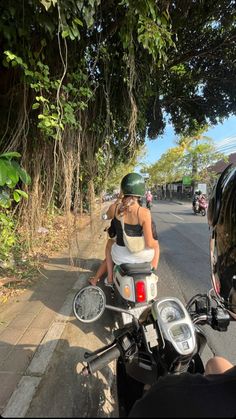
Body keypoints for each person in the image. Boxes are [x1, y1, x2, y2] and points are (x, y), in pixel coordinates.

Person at [129, 164, 236, 418]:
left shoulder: (168, 400)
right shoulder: (144, 210)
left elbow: (112, 239)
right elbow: (152, 242)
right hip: (142, 260)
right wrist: (154, 264)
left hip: (122, 259)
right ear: (141, 193)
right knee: (214, 362)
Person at [89, 173, 160, 286]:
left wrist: (118, 199)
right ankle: (151, 273)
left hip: (120, 256)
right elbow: (149, 243)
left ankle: (110, 279)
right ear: (140, 192)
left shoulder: (115, 208)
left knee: (109, 245)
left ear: (123, 190)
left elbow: (106, 216)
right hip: (142, 256)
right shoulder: (144, 213)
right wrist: (155, 245)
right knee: (155, 245)